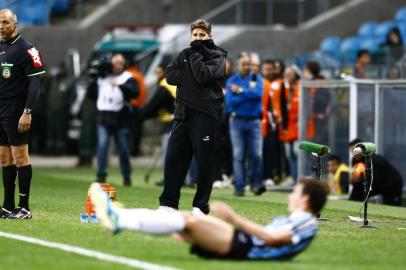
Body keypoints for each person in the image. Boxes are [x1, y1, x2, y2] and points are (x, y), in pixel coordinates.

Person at [90, 178, 328, 260]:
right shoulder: (297, 219)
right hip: (242, 242)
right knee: (178, 217)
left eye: (295, 192)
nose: (290, 196)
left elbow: (272, 239)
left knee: (188, 221)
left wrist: (234, 218)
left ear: (305, 200)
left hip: (244, 248)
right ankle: (118, 216)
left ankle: (119, 219)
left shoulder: (307, 222)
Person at [160, 19, 227, 215]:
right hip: (182, 113)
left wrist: (195, 56)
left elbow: (203, 77)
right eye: (195, 35)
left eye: (202, 35)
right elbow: (170, 75)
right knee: (173, 159)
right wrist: (190, 73)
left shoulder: (218, 56)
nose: (198, 38)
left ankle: (200, 206)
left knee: (204, 161)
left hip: (205, 114)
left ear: (210, 36)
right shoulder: (184, 54)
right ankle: (168, 203)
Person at [0, 9, 45, 219]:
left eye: (5, 22)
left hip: (16, 109)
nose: (1, 26)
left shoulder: (27, 49)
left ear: (15, 25)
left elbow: (35, 81)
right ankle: (7, 206)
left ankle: (24, 207)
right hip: (0, 109)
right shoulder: (0, 47)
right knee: (4, 158)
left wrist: (27, 111)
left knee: (20, 157)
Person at [87, 54, 139, 187]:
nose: (117, 65)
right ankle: (101, 175)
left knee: (123, 149)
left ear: (124, 64)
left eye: (120, 63)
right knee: (103, 145)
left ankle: (126, 175)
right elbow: (91, 95)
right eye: (115, 62)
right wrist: (92, 81)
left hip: (120, 117)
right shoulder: (102, 76)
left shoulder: (127, 77)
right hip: (104, 116)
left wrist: (120, 85)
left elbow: (135, 92)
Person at [225, 53, 264, 196]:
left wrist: (240, 91)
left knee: (257, 155)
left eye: (249, 64)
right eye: (244, 64)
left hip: (254, 121)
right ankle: (239, 187)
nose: (247, 67)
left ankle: (254, 182)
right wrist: (248, 94)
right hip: (237, 121)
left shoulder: (256, 78)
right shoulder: (231, 81)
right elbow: (230, 102)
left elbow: (258, 95)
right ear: (238, 65)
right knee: (239, 155)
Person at [138, 64, 176, 185]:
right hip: (174, 121)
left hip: (173, 122)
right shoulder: (170, 83)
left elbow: (153, 106)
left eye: (158, 71)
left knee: (168, 151)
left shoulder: (165, 86)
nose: (156, 74)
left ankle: (170, 180)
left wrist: (138, 115)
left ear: (165, 72)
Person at [349, 138, 403, 206]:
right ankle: (352, 207)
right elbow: (356, 180)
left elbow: (372, 181)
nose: (355, 153)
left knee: (391, 205)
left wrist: (360, 181)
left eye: (356, 151)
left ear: (363, 149)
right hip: (374, 182)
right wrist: (353, 180)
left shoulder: (373, 160)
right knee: (357, 190)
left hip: (392, 184)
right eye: (352, 151)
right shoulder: (355, 160)